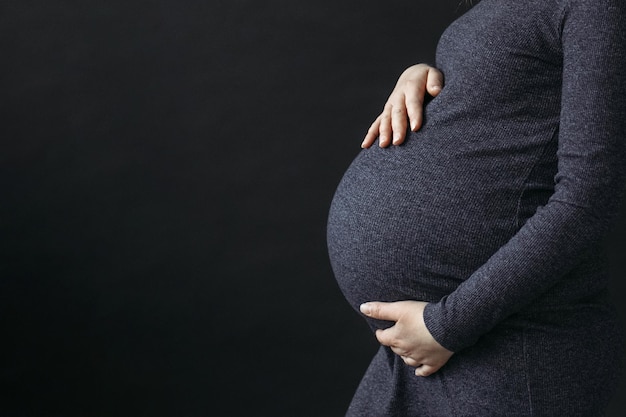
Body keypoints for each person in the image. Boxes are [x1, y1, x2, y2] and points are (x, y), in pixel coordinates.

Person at [326, 0, 626, 415]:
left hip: (509, 347)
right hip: (423, 349)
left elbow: (590, 197)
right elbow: (510, 104)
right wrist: (429, 80)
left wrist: (447, 324)